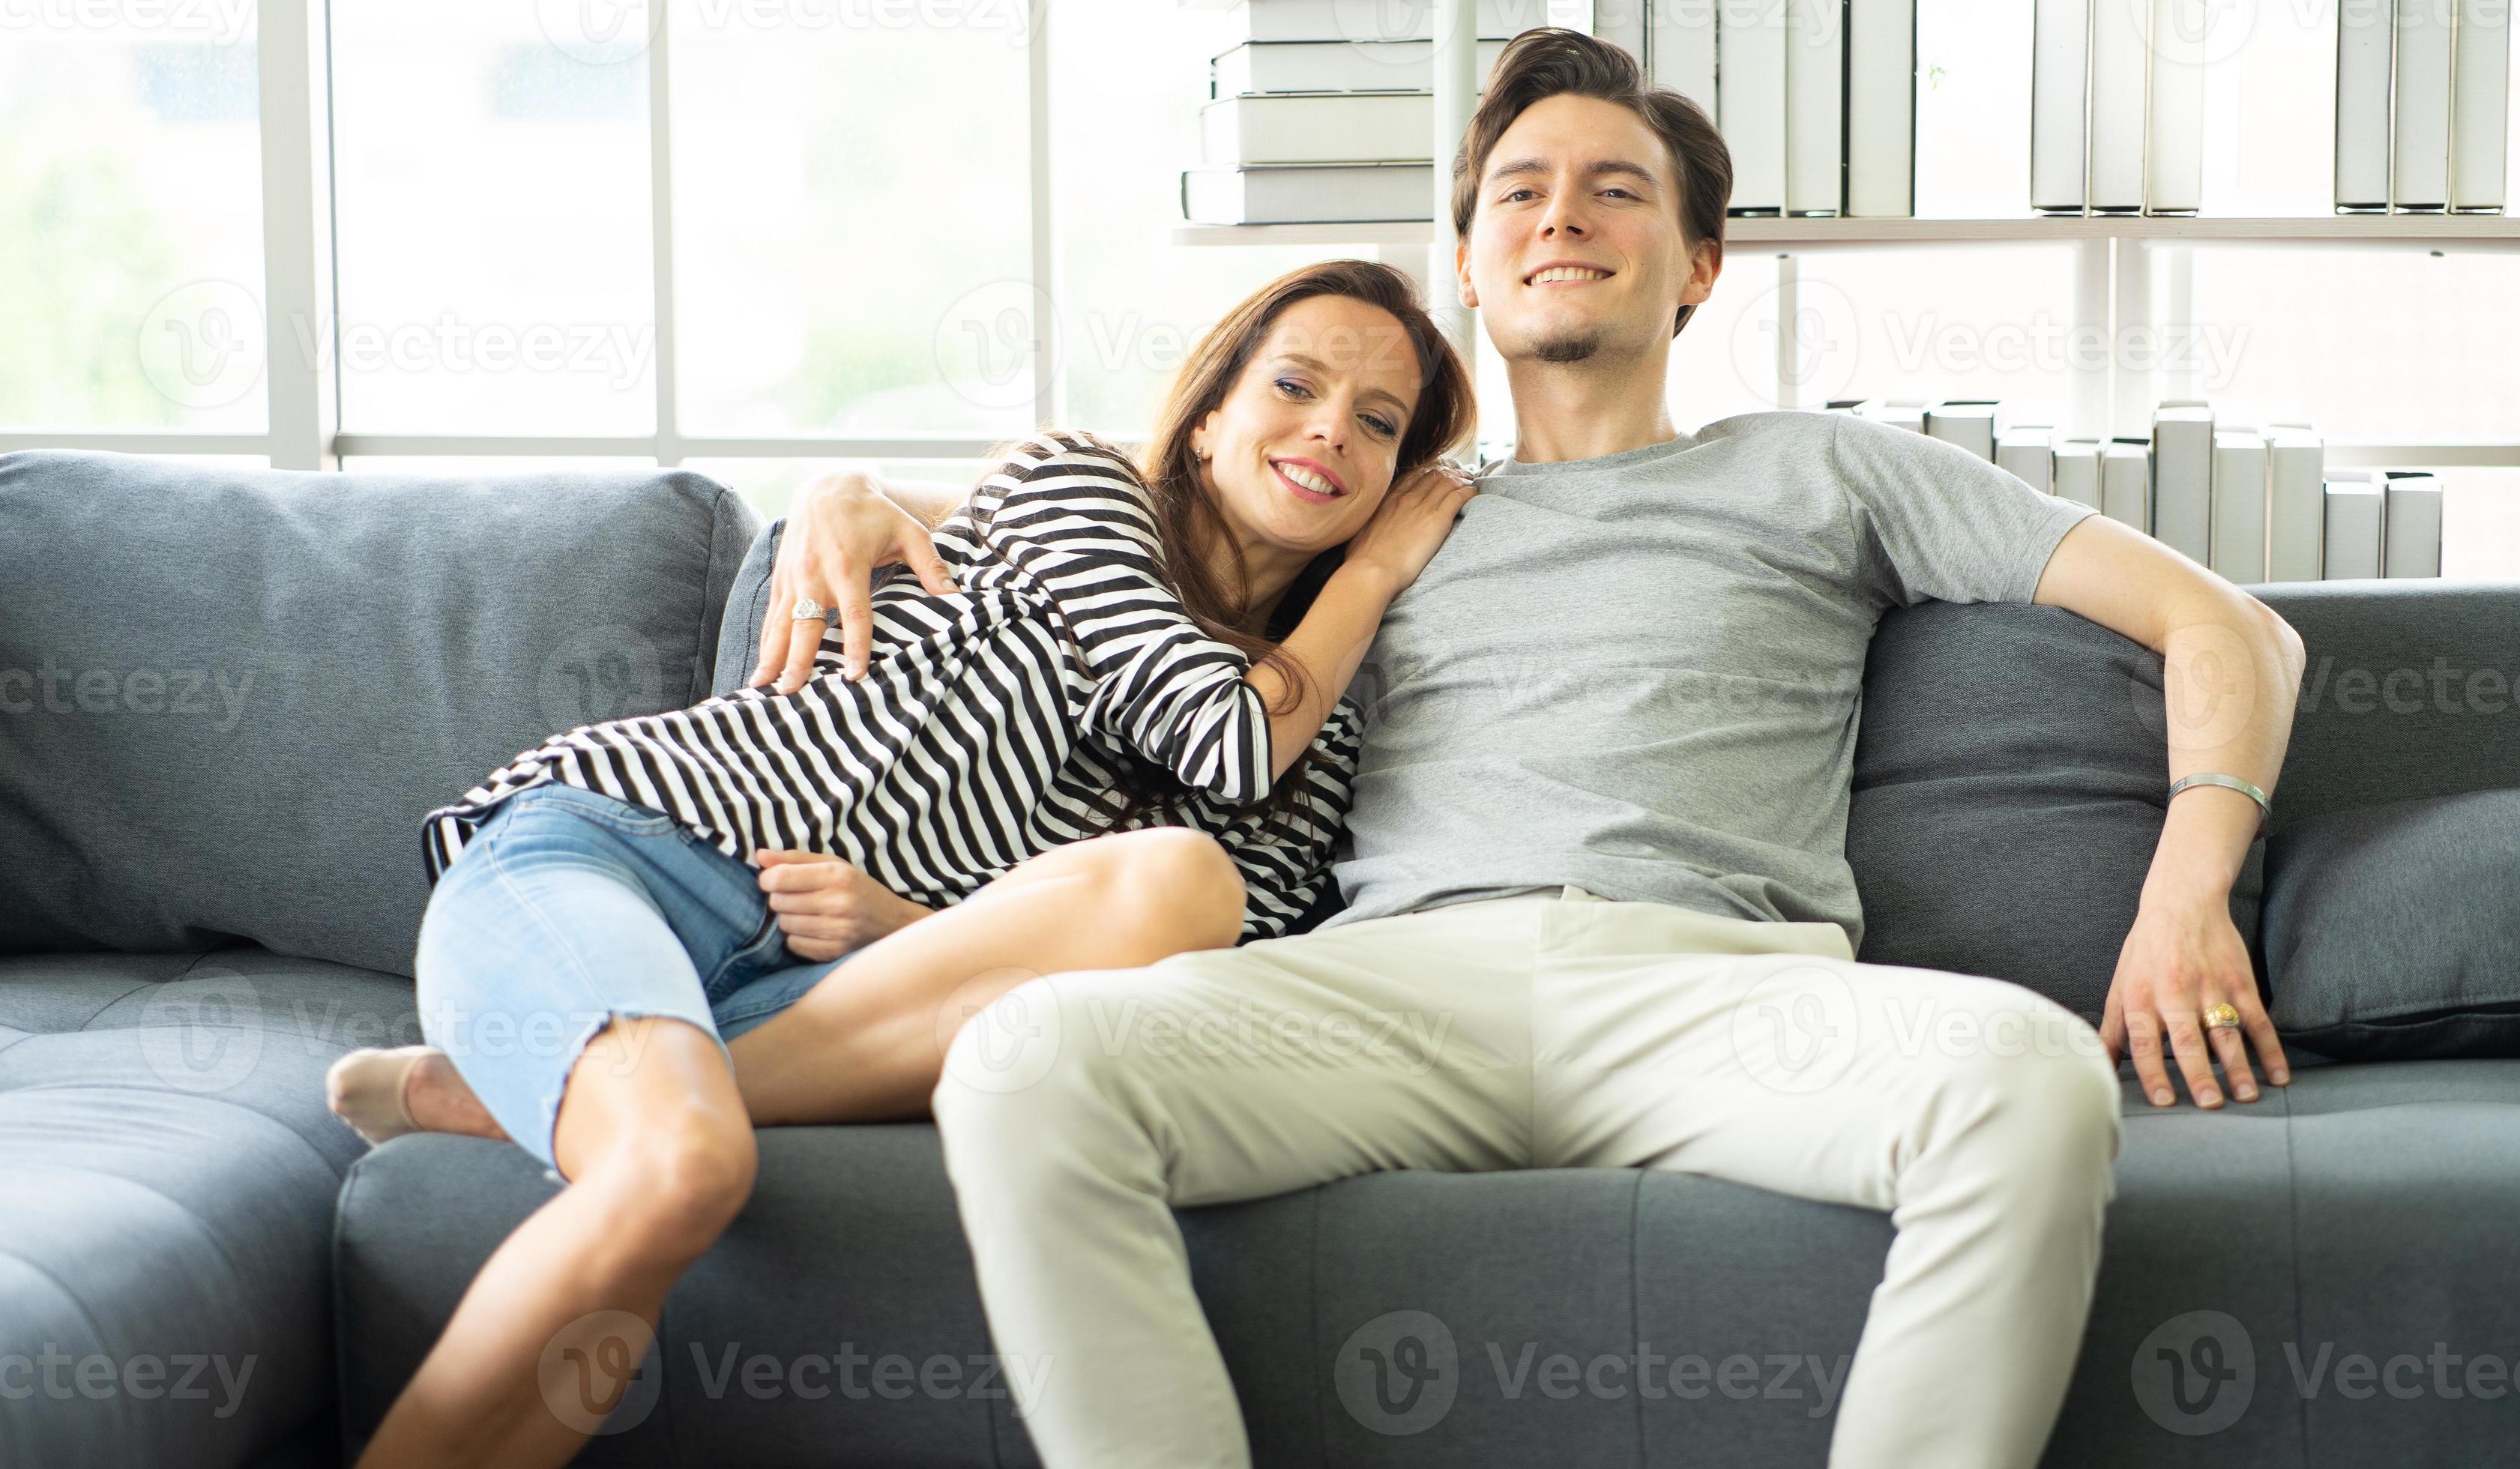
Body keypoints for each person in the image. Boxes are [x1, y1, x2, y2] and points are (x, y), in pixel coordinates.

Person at [791, 29, 2310, 1469]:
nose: (1557, 216)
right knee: (1023, 1060)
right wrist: (862, 496)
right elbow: (1129, 512)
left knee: (2029, 1076)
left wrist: (2180, 894)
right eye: (1517, 191)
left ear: (1698, 262)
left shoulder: (1820, 468)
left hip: (1716, 989)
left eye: (1613, 188)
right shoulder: (1370, 501)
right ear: (1467, 262)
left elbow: (2226, 626)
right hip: (1382, 989)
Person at [319, 259, 1480, 1469]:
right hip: (636, 855)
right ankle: (614, 1084)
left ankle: (553, 1084)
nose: (1329, 431)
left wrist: (917, 924)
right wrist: (1373, 574)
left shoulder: (1325, 723)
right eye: (1295, 384)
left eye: (1380, 423)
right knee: (682, 1168)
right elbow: (1224, 736)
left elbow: (1220, 962)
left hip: (849, 993)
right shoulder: (1079, 486)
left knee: (1188, 884)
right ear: (1205, 422)